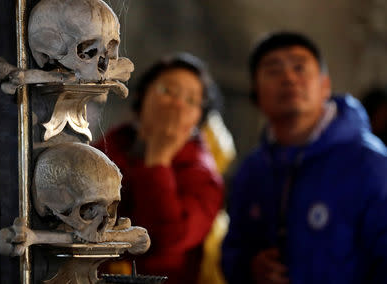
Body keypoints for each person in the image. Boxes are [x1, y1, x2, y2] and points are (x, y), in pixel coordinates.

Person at [221, 31, 387, 284]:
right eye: (273, 70)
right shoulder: (253, 169)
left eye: (300, 67)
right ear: (256, 94)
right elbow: (232, 251)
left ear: (325, 86)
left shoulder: (369, 162)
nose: (288, 78)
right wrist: (250, 267)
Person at [94, 52, 224, 284]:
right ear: (142, 98)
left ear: (198, 120)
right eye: (168, 91)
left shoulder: (203, 177)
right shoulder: (105, 149)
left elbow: (166, 240)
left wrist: (159, 159)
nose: (177, 104)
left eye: (191, 100)